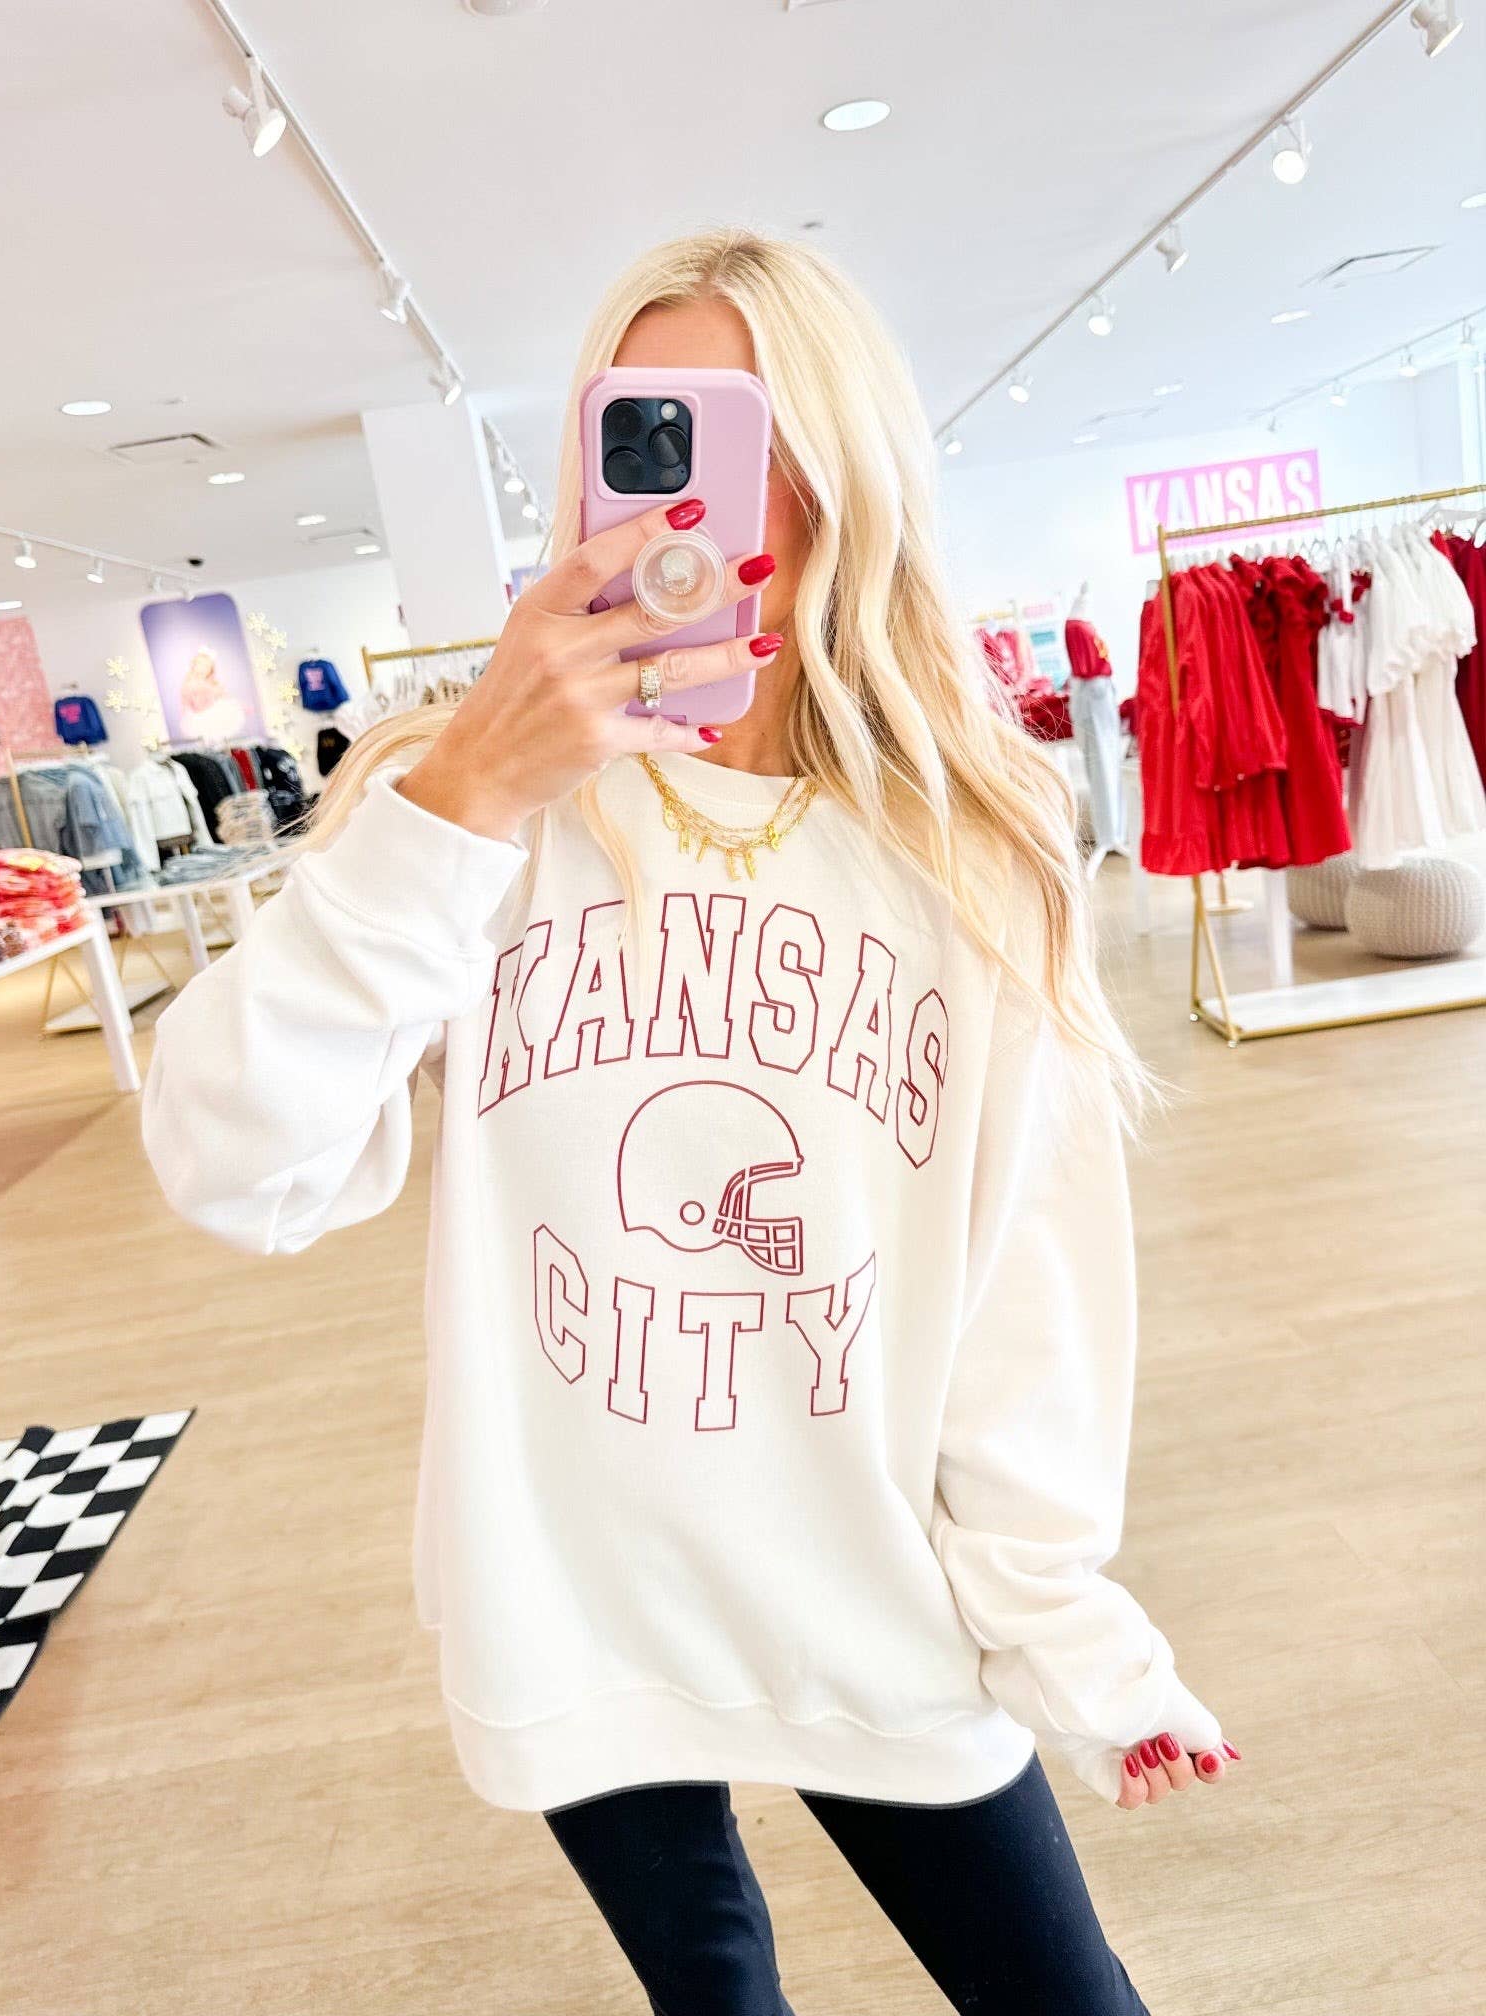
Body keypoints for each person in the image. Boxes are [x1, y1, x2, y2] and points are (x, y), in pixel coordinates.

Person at [142, 230, 1239, 2015]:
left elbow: (1023, 1282)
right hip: (573, 1599)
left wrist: (1069, 1628)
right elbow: (227, 1164)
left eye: (743, 437)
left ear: (844, 471)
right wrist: (465, 796)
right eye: (640, 430)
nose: (686, 500)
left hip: (872, 1589)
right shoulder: (460, 801)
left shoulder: (976, 838)